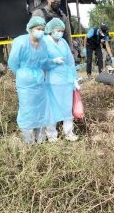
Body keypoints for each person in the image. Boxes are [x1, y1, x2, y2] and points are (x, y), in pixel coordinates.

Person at [8, 16, 58, 144]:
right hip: (25, 81)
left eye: (42, 29)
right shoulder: (21, 42)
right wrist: (22, 73)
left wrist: (53, 62)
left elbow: (44, 62)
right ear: (30, 29)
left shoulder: (43, 44)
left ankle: (40, 138)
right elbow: (13, 62)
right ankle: (28, 140)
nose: (40, 31)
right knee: (27, 109)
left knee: (40, 108)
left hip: (39, 80)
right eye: (38, 29)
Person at [43, 18, 79, 142]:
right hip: (52, 81)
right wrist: (52, 62)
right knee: (52, 108)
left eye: (62, 31)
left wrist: (74, 78)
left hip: (66, 80)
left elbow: (70, 61)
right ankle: (52, 135)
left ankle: (69, 132)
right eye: (58, 30)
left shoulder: (63, 42)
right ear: (51, 30)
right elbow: (40, 62)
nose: (60, 33)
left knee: (67, 107)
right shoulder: (44, 42)